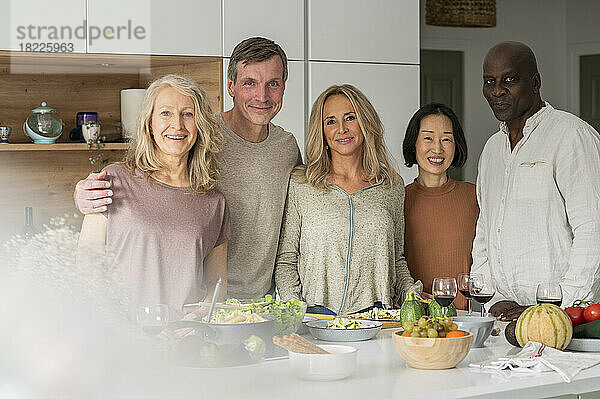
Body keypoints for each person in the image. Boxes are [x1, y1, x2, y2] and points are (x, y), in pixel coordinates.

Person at [74, 37, 301, 300]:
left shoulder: (287, 148)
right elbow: (142, 184)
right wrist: (82, 193)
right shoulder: (199, 136)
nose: (262, 96)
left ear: (283, 87)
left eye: (272, 84)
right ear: (231, 86)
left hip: (256, 300)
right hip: (197, 304)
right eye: (249, 83)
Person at [77, 74, 231, 315]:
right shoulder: (113, 181)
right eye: (166, 113)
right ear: (149, 122)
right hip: (124, 338)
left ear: (200, 124)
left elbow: (216, 286)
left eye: (187, 114)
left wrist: (196, 322)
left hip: (186, 338)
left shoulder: (214, 202)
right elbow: (87, 267)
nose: (177, 125)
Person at [472, 41, 600, 320]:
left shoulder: (571, 136)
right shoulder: (492, 149)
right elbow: (485, 230)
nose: (497, 91)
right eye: (489, 82)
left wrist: (559, 305)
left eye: (510, 79)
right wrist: (491, 299)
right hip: (503, 317)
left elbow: (593, 229)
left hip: (565, 317)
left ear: (536, 82)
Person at [275, 84, 423, 315]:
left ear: (365, 123)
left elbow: (396, 259)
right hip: (316, 317)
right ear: (321, 131)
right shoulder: (301, 184)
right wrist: (297, 311)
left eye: (350, 118)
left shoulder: (390, 187)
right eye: (331, 121)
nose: (342, 129)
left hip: (376, 318)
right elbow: (286, 260)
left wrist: (411, 293)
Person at [402, 103, 478, 310]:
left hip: (466, 318)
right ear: (414, 143)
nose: (437, 148)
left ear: (456, 145)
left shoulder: (475, 196)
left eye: (446, 139)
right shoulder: (398, 199)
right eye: (428, 138)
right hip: (412, 319)